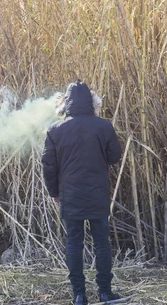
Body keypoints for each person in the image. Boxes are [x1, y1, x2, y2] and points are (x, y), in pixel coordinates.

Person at [42, 80, 123, 305]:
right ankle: (105, 292)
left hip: (70, 195)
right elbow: (114, 156)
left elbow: (48, 165)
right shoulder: (104, 126)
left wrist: (54, 192)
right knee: (102, 242)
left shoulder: (55, 129)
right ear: (91, 102)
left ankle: (79, 295)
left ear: (66, 103)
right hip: (97, 193)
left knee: (74, 243)